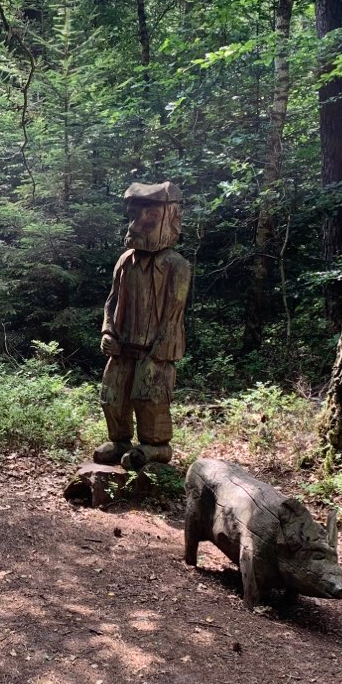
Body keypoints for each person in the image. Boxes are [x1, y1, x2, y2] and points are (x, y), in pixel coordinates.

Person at [94, 181, 191, 470]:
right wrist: (108, 330)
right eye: (134, 216)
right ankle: (120, 441)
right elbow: (112, 300)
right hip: (122, 348)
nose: (136, 226)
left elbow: (173, 315)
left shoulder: (175, 265)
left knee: (149, 397)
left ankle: (155, 446)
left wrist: (157, 354)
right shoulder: (125, 261)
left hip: (155, 351)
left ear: (171, 219)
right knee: (112, 397)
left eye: (149, 218)